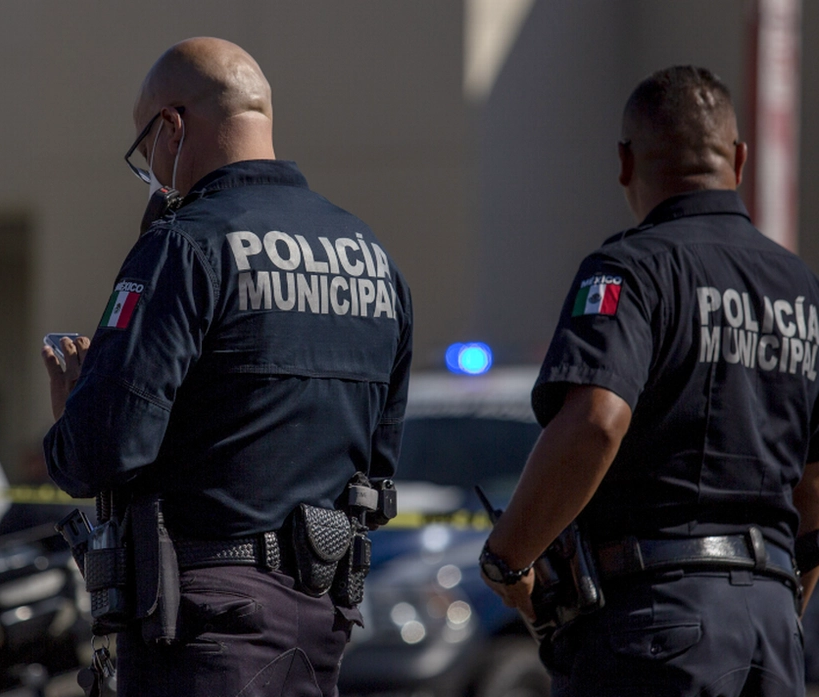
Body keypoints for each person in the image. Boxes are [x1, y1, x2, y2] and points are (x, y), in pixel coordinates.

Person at [42, 37, 412, 697]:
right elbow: (376, 470)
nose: (153, 172)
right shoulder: (371, 256)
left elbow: (102, 450)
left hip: (204, 625)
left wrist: (76, 404)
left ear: (173, 126)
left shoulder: (183, 247)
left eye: (146, 150)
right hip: (321, 620)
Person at [480, 65, 819, 696]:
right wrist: (779, 604)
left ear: (625, 163)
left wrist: (507, 557)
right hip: (773, 631)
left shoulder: (630, 270)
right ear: (739, 160)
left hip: (656, 626)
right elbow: (817, 484)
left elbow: (595, 422)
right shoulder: (804, 290)